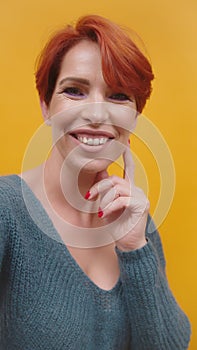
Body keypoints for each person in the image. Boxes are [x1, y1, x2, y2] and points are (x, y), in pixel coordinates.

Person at [0, 14, 191, 350]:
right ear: (46, 106)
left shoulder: (136, 222)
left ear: (134, 118)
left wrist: (135, 247)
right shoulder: (6, 210)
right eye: (74, 91)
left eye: (118, 96)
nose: (97, 114)